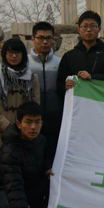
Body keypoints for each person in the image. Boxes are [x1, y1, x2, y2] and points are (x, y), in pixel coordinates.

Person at [0, 101, 51, 208]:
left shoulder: (41, 141)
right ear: (18, 124)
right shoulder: (9, 152)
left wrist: (48, 170)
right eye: (28, 122)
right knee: (10, 205)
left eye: (37, 122)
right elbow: (14, 189)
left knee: (52, 185)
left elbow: (44, 165)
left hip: (29, 186)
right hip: (4, 192)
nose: (33, 127)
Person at [0, 38, 41, 163]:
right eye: (10, 53)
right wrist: (5, 124)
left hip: (23, 133)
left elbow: (36, 104)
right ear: (4, 54)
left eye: (18, 52)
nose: (14, 56)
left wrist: (23, 125)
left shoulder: (32, 77)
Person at [56, 11, 104, 99]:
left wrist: (92, 77)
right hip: (78, 106)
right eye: (85, 26)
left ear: (99, 29)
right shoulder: (69, 56)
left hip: (102, 104)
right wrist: (65, 85)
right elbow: (60, 84)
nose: (89, 29)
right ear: (79, 29)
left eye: (93, 26)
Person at [28, 21, 63, 168]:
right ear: (33, 39)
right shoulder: (25, 63)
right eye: (40, 38)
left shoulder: (60, 62)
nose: (44, 42)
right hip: (31, 122)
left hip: (55, 121)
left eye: (48, 38)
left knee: (52, 163)